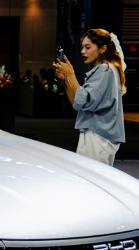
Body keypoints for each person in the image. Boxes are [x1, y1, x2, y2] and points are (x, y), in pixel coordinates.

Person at [52, 28, 127, 165]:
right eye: (82, 47)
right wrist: (66, 79)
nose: (82, 51)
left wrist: (71, 74)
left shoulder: (105, 70)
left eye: (88, 47)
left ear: (103, 48)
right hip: (98, 136)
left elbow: (83, 101)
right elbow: (77, 103)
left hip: (98, 137)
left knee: (90, 175)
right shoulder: (107, 69)